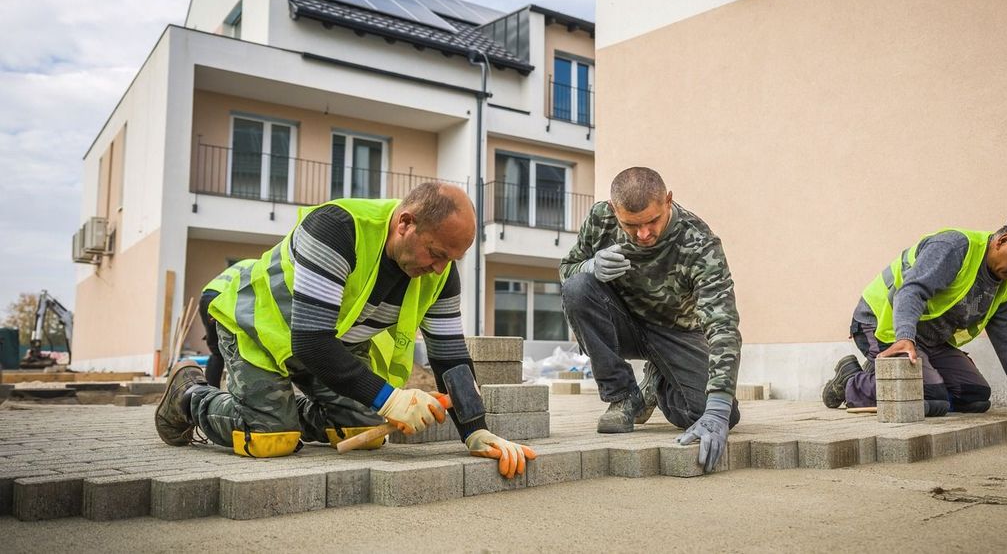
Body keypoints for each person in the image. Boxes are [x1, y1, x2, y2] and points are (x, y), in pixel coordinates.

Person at [155, 182, 536, 478]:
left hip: (333, 345)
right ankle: (189, 395)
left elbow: (450, 356)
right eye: (436, 253)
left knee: (362, 431)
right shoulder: (337, 228)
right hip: (262, 328)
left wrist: (476, 431)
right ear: (405, 223)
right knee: (270, 440)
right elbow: (310, 340)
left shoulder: (440, 274)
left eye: (452, 260)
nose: (440, 269)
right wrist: (390, 398)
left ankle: (285, 413)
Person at [560, 167, 742, 473]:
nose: (643, 234)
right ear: (614, 210)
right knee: (577, 288)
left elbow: (723, 324)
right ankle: (623, 398)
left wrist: (718, 408)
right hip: (622, 324)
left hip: (676, 333)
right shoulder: (600, 219)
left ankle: (656, 383)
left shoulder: (699, 243)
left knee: (712, 415)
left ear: (668, 201)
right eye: (631, 225)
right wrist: (588, 266)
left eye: (652, 221)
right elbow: (566, 270)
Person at [822, 212, 1007, 425]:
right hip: (882, 324)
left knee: (975, 398)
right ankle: (850, 381)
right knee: (932, 396)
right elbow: (911, 291)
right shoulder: (954, 247)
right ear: (1003, 240)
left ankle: (892, 377)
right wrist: (905, 337)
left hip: (929, 340)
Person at [197, 260, 256, 387]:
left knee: (217, 353)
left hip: (206, 299)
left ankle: (210, 393)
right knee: (239, 349)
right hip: (222, 299)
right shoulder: (260, 266)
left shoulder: (246, 262)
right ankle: (241, 392)